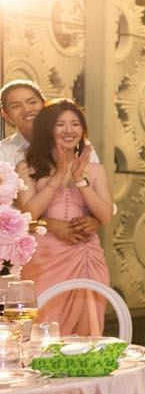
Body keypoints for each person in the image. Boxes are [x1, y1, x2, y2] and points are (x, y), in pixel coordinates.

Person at [16, 101, 114, 336]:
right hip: (44, 259)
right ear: (47, 129)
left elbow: (105, 215)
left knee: (87, 331)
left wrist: (80, 180)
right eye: (60, 124)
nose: (69, 130)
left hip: (86, 254)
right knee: (43, 325)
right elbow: (28, 214)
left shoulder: (95, 169)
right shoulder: (26, 167)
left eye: (75, 124)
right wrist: (58, 175)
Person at [0, 78, 44, 170]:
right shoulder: (3, 152)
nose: (27, 110)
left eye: (32, 102)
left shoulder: (66, 142)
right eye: (16, 106)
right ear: (6, 116)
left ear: (44, 104)